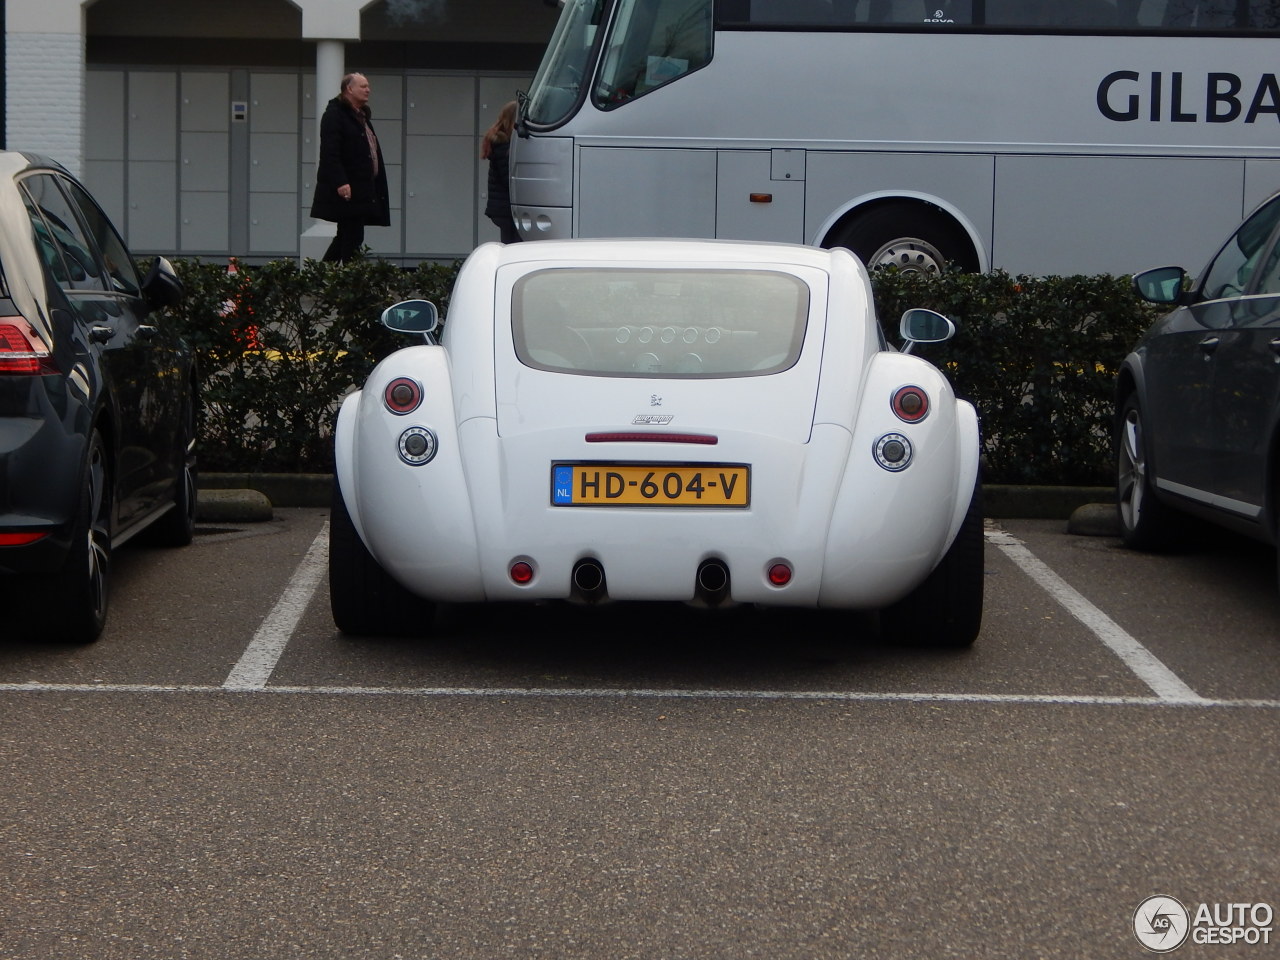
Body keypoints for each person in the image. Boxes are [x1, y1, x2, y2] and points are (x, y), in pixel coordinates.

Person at [310, 72, 390, 262]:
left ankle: (325, 278)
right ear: (349, 89)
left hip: (362, 188)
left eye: (368, 86)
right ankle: (343, 279)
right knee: (352, 236)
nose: (368, 90)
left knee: (347, 235)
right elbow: (330, 153)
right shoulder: (335, 115)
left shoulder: (360, 116)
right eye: (363, 86)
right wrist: (341, 182)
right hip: (349, 190)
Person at [481, 101, 522, 244]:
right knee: (514, 246)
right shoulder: (503, 143)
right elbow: (508, 179)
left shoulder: (499, 139)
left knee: (510, 244)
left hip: (501, 208)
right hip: (506, 207)